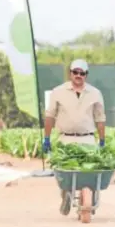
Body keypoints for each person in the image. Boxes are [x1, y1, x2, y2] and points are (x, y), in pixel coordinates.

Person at [43, 59, 106, 214]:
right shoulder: (58, 92)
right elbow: (50, 116)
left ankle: (91, 198)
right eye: (75, 72)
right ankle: (66, 195)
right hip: (66, 139)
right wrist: (47, 138)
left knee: (90, 171)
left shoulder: (95, 93)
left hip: (87, 138)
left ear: (86, 75)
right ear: (70, 73)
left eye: (82, 73)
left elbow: (100, 118)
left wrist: (102, 139)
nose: (78, 75)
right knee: (66, 174)